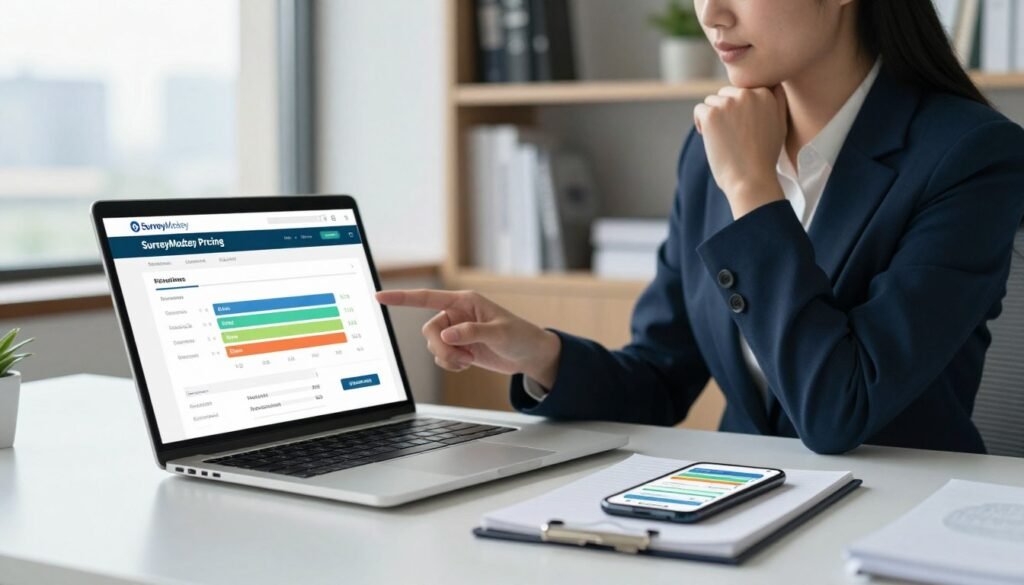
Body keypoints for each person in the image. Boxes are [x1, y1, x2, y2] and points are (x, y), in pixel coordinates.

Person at [378, 0, 1024, 454]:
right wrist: (541, 352)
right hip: (736, 513)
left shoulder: (972, 155)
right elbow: (661, 376)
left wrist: (752, 190)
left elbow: (840, 409)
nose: (710, 12)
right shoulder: (709, 149)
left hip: (895, 528)